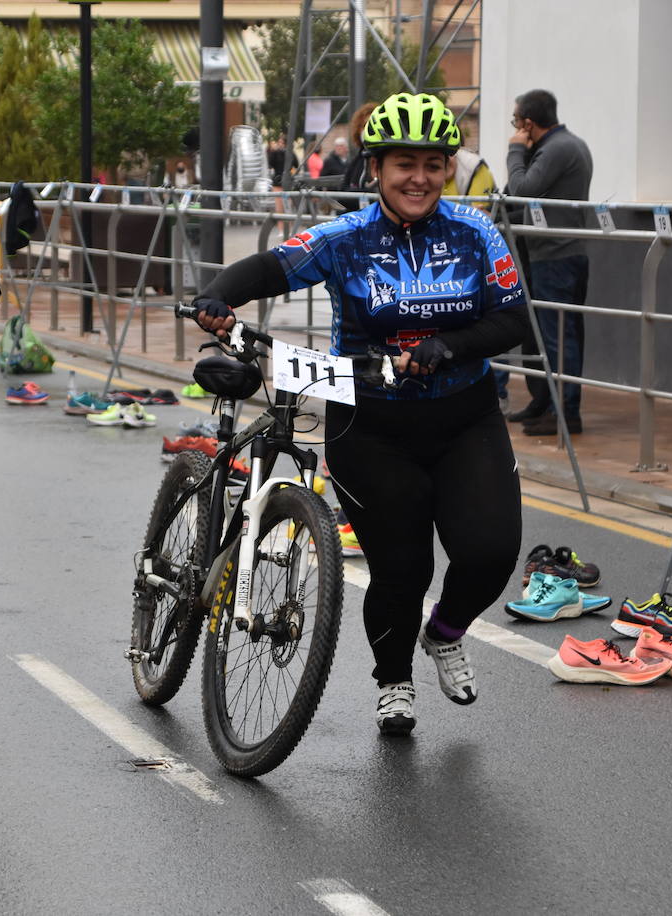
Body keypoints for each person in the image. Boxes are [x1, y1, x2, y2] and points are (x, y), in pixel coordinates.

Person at [191, 92, 528, 736]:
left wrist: (449, 345)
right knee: (402, 569)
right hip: (370, 423)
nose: (420, 178)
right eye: (405, 163)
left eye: (434, 164)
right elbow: (272, 266)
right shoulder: (347, 238)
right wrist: (218, 294)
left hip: (464, 418)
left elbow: (512, 318)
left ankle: (446, 632)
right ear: (376, 168)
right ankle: (394, 681)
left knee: (489, 551)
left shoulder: (477, 232)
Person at [504, 88, 593, 436]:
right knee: (551, 335)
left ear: (528, 123)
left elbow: (521, 187)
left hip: (556, 256)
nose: (515, 128)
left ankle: (566, 413)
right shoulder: (567, 145)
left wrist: (514, 150)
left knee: (558, 337)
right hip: (559, 253)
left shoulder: (557, 148)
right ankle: (547, 402)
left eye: (516, 122)